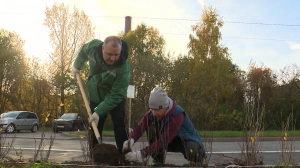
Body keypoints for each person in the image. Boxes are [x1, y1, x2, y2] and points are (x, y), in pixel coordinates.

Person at [72, 36, 130, 154]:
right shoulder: (93, 48)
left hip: (114, 99)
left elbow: (116, 95)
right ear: (102, 48)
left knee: (120, 125)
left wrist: (99, 112)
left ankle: (124, 156)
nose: (113, 58)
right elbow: (83, 51)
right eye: (109, 54)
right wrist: (77, 66)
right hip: (96, 95)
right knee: (94, 128)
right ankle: (95, 155)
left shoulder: (123, 67)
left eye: (116, 54)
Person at [122, 87, 205, 166]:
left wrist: (142, 153)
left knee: (192, 150)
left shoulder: (178, 114)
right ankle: (158, 160)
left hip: (184, 141)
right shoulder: (153, 113)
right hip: (168, 141)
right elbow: (141, 127)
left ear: (165, 106)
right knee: (151, 128)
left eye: (157, 110)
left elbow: (164, 140)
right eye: (152, 109)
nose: (154, 113)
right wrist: (131, 139)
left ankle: (198, 162)